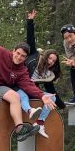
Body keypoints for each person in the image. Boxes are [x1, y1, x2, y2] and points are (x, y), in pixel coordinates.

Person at [17, 9, 64, 138]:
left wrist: (61, 105)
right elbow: (30, 39)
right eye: (50, 58)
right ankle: (29, 110)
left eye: (54, 61)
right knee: (22, 95)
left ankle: (39, 123)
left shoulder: (48, 73)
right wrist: (30, 21)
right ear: (46, 56)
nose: (51, 62)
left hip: (33, 91)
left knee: (51, 97)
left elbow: (50, 88)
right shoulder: (34, 56)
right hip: (20, 87)